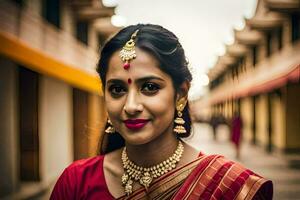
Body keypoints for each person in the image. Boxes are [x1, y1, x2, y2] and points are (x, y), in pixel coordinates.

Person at [50, 24, 273, 199]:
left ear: (181, 94)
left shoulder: (228, 186)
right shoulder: (76, 183)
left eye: (150, 87)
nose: (131, 106)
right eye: (117, 89)